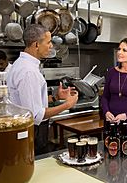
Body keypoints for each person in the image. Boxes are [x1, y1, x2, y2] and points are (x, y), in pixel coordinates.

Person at [7, 24, 78, 155]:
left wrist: (55, 97)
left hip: (28, 130)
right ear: (36, 45)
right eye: (48, 42)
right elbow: (35, 115)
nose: (51, 46)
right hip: (32, 132)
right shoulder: (28, 71)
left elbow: (27, 102)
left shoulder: (22, 64)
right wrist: (68, 104)